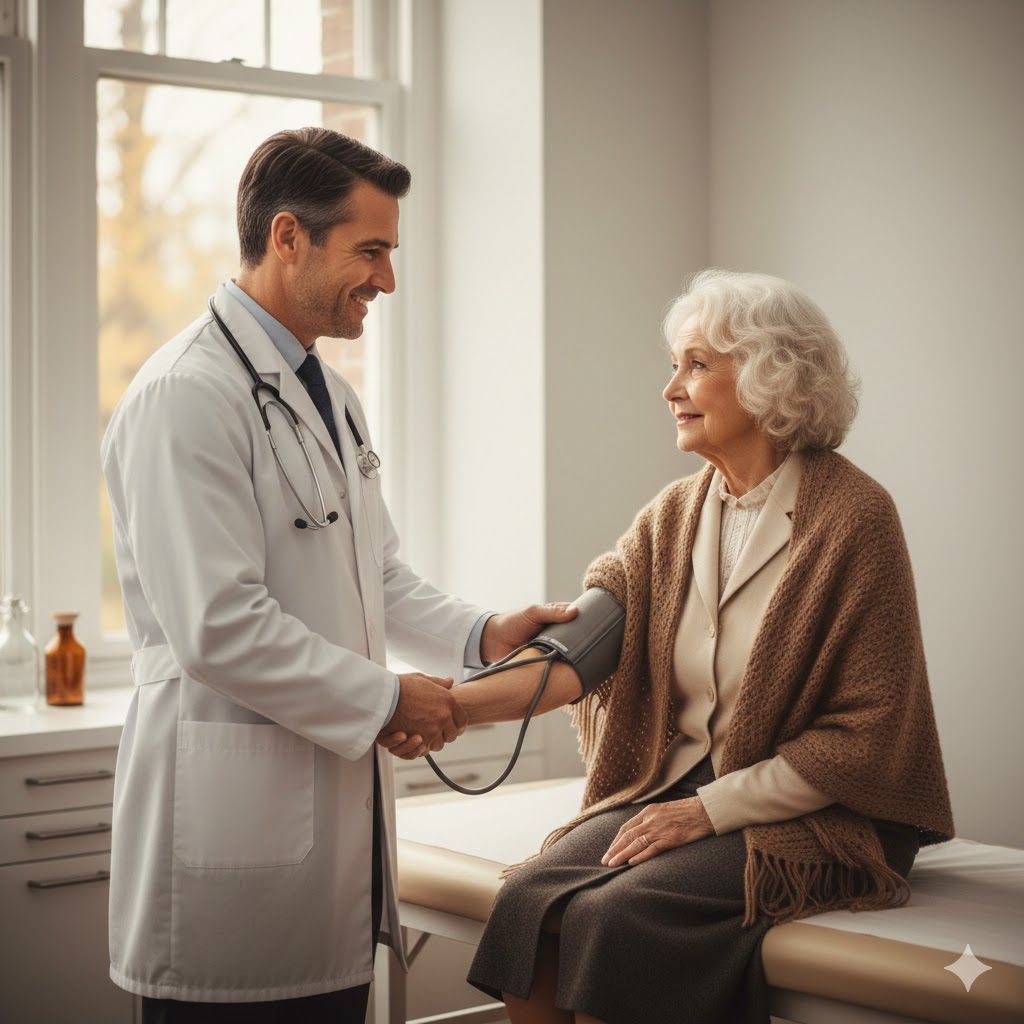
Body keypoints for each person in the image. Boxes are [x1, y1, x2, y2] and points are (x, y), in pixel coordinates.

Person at [100, 127, 576, 1023]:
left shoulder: (330, 396)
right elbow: (218, 625)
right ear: (288, 238)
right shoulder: (185, 397)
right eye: (371, 251)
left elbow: (376, 576)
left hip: (329, 842)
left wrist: (482, 634)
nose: (387, 280)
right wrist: (391, 699)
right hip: (228, 839)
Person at [452, 269, 955, 1024]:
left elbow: (870, 735)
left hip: (823, 815)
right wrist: (444, 707)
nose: (670, 389)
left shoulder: (856, 517)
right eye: (675, 365)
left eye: (695, 365)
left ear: (767, 378)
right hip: (676, 787)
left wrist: (709, 811)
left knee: (614, 917)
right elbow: (573, 655)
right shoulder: (674, 515)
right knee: (527, 898)